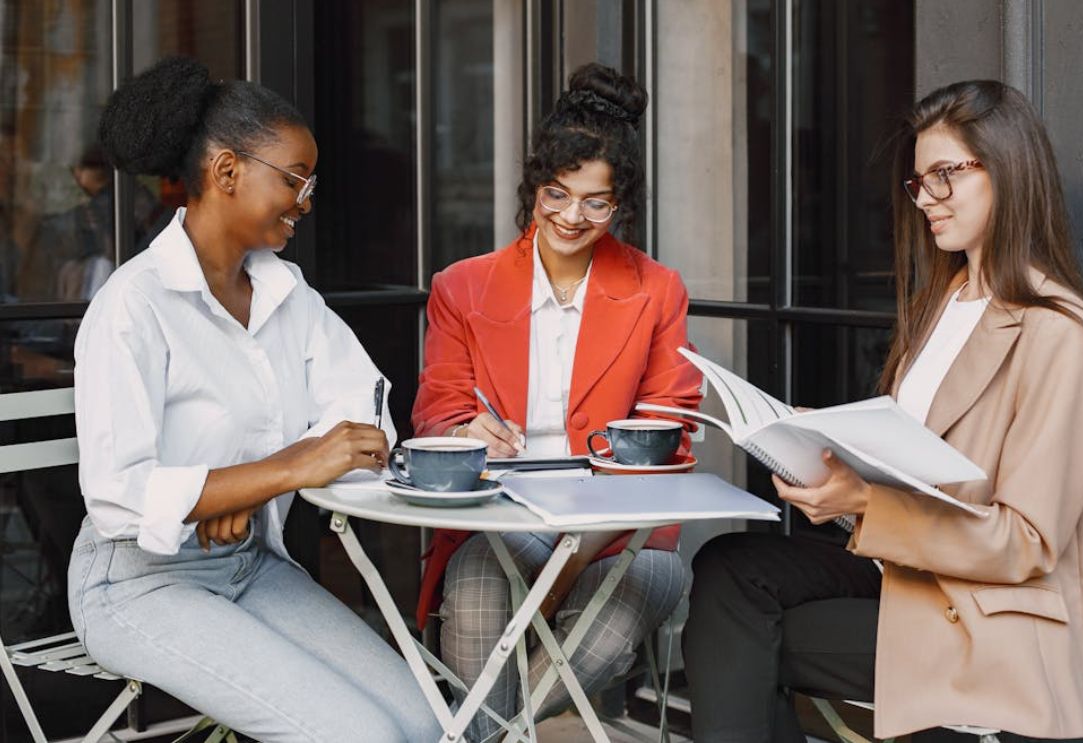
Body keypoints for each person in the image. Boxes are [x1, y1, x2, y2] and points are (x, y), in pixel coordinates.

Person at [684, 80, 1083, 742]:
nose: (928, 200)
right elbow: (914, 452)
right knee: (727, 568)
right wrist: (821, 439)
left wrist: (863, 503)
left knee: (742, 632)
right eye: (920, 183)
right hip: (905, 572)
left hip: (985, 611)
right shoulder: (943, 302)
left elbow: (1025, 542)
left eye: (946, 175)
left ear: (1007, 168)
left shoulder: (1058, 331)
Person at [66, 57, 440, 742]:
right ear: (227, 171)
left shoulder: (286, 294)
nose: (305, 200)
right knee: (365, 736)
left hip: (248, 562)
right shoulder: (134, 304)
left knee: (429, 722)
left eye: (310, 182)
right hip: (138, 582)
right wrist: (286, 467)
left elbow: (363, 422)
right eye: (294, 179)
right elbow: (119, 493)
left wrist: (238, 491)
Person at [411, 63, 703, 740]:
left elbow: (670, 429)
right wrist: (465, 428)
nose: (573, 217)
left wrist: (580, 543)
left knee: (613, 612)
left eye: (595, 202)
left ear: (620, 204)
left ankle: (489, 735)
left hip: (622, 528)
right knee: (481, 585)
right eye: (556, 194)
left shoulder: (655, 290)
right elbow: (439, 407)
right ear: (533, 190)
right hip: (501, 515)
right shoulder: (463, 287)